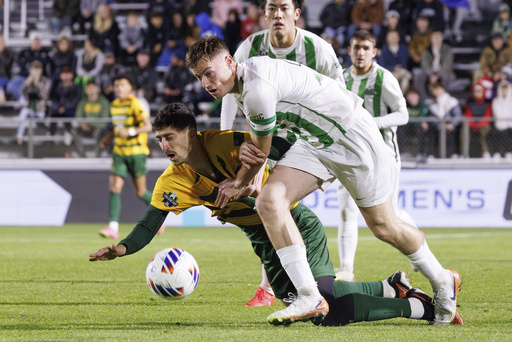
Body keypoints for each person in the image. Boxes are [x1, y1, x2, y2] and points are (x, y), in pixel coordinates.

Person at [89, 102, 463, 327]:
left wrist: (286, 173)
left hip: (294, 223)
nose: (164, 146)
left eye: (170, 137)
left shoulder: (229, 143)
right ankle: (391, 286)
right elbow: (149, 224)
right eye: (159, 140)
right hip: (264, 243)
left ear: (192, 132)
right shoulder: (174, 181)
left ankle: (417, 308)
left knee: (325, 306)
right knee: (315, 300)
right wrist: (120, 249)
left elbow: (283, 146)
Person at [186, 36, 461, 326]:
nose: (206, 83)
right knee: (269, 201)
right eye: (199, 77)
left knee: (384, 225)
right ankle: (309, 296)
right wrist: (244, 169)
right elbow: (259, 149)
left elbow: (260, 152)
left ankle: (443, 280)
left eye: (209, 73)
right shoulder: (242, 81)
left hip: (352, 136)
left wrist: (237, 181)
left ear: (229, 62)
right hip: (315, 142)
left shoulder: (256, 91)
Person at [219, 0, 345, 307]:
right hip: (265, 141)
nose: (278, 14)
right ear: (263, 14)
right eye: (271, 8)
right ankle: (279, 286)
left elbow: (342, 94)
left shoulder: (319, 50)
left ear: (296, 14)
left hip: (309, 144)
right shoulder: (248, 48)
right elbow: (227, 92)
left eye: (284, 8)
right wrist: (226, 139)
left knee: (374, 219)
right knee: (270, 206)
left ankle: (299, 284)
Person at [337, 30, 418, 282]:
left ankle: (417, 241)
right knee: (347, 210)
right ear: (349, 51)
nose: (360, 53)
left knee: (389, 214)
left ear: (374, 52)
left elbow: (403, 114)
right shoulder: (340, 78)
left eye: (365, 48)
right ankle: (346, 270)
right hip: (350, 155)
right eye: (356, 48)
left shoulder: (384, 78)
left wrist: (371, 123)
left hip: (384, 156)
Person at [98, 72, 161, 240]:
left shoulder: (136, 104)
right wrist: (108, 139)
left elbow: (148, 126)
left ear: (131, 88)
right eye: (117, 85)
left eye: (123, 85)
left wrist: (131, 131)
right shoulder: (114, 105)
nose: (119, 88)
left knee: (141, 192)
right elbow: (118, 127)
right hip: (119, 152)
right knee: (114, 187)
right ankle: (113, 227)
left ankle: (160, 216)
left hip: (136, 153)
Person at [15, 61, 51, 145]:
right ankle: (19, 136)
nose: (36, 71)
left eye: (38, 69)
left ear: (41, 70)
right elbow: (22, 94)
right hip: (30, 110)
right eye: (34, 69)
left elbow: (43, 95)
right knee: (24, 112)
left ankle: (46, 137)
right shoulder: (28, 81)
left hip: (40, 110)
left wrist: (37, 83)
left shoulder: (45, 81)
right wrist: (27, 83)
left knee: (27, 113)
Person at [413, 30, 455, 99]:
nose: (437, 39)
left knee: (447, 76)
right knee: (418, 74)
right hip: (430, 72)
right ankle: (424, 98)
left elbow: (447, 65)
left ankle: (444, 97)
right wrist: (431, 74)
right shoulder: (426, 50)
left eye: (438, 37)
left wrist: (437, 75)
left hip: (442, 72)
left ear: (442, 38)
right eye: (435, 37)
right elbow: (424, 65)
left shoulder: (447, 49)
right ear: (431, 38)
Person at [74, 79, 111, 157]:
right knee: (74, 131)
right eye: (88, 88)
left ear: (97, 88)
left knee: (99, 133)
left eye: (92, 88)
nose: (90, 91)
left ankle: (98, 155)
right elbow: (78, 115)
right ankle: (82, 154)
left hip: (98, 128)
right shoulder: (83, 102)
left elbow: (104, 120)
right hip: (85, 128)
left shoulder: (103, 102)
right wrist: (82, 123)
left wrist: (89, 123)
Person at [48, 66, 82, 146]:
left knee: (68, 117)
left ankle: (69, 134)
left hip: (70, 111)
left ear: (72, 75)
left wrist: (65, 108)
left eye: (68, 74)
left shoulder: (76, 87)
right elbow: (53, 99)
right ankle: (51, 136)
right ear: (60, 76)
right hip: (58, 111)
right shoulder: (56, 87)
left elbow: (76, 100)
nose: (66, 76)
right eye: (64, 74)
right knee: (53, 116)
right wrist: (58, 107)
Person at [426, 82, 462, 158]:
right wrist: (440, 125)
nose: (435, 92)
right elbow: (431, 117)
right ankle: (432, 154)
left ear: (443, 89)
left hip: (450, 125)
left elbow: (457, 116)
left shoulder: (452, 101)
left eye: (437, 89)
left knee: (452, 134)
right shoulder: (432, 103)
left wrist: (452, 125)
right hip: (438, 125)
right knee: (432, 132)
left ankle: (453, 154)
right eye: (433, 90)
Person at [464, 81, 492, 158]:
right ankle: (464, 153)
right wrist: (473, 125)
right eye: (476, 91)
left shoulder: (487, 103)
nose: (477, 93)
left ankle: (485, 153)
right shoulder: (469, 102)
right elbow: (468, 115)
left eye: (479, 91)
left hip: (483, 125)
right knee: (464, 130)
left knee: (484, 130)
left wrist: (478, 125)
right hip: (472, 125)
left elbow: (487, 117)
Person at [488, 79, 512, 159]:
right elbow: (496, 114)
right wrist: (500, 124)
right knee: (493, 132)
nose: (504, 91)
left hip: (510, 124)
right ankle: (496, 152)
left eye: (506, 89)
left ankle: (509, 152)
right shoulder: (496, 101)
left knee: (508, 132)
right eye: (503, 89)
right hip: (499, 124)